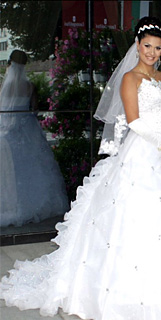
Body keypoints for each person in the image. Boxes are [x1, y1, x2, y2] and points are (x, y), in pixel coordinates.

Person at [0, 18, 161, 319]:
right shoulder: (130, 79)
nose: (151, 52)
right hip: (144, 152)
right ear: (138, 46)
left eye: (157, 48)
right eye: (147, 46)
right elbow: (134, 121)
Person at [0, 50, 69, 227]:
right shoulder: (30, 86)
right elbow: (35, 110)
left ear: (10, 64)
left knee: (13, 171)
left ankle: (11, 205)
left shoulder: (5, 87)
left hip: (9, 132)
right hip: (27, 130)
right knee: (34, 166)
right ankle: (35, 204)